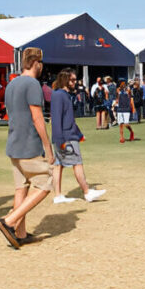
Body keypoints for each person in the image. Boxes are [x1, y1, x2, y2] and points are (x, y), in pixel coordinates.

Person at [0, 47, 57, 249]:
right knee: (46, 184)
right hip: (29, 144)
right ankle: (10, 221)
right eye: (41, 63)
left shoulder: (11, 84)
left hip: (13, 143)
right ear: (36, 63)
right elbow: (37, 117)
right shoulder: (33, 84)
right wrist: (48, 148)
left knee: (21, 187)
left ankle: (19, 233)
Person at [50, 69, 106, 204]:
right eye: (73, 80)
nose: (75, 83)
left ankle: (58, 195)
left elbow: (68, 119)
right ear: (65, 80)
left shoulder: (63, 95)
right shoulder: (59, 95)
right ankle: (87, 192)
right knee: (77, 163)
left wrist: (79, 134)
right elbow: (56, 119)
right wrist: (60, 141)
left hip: (67, 136)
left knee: (59, 165)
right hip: (66, 137)